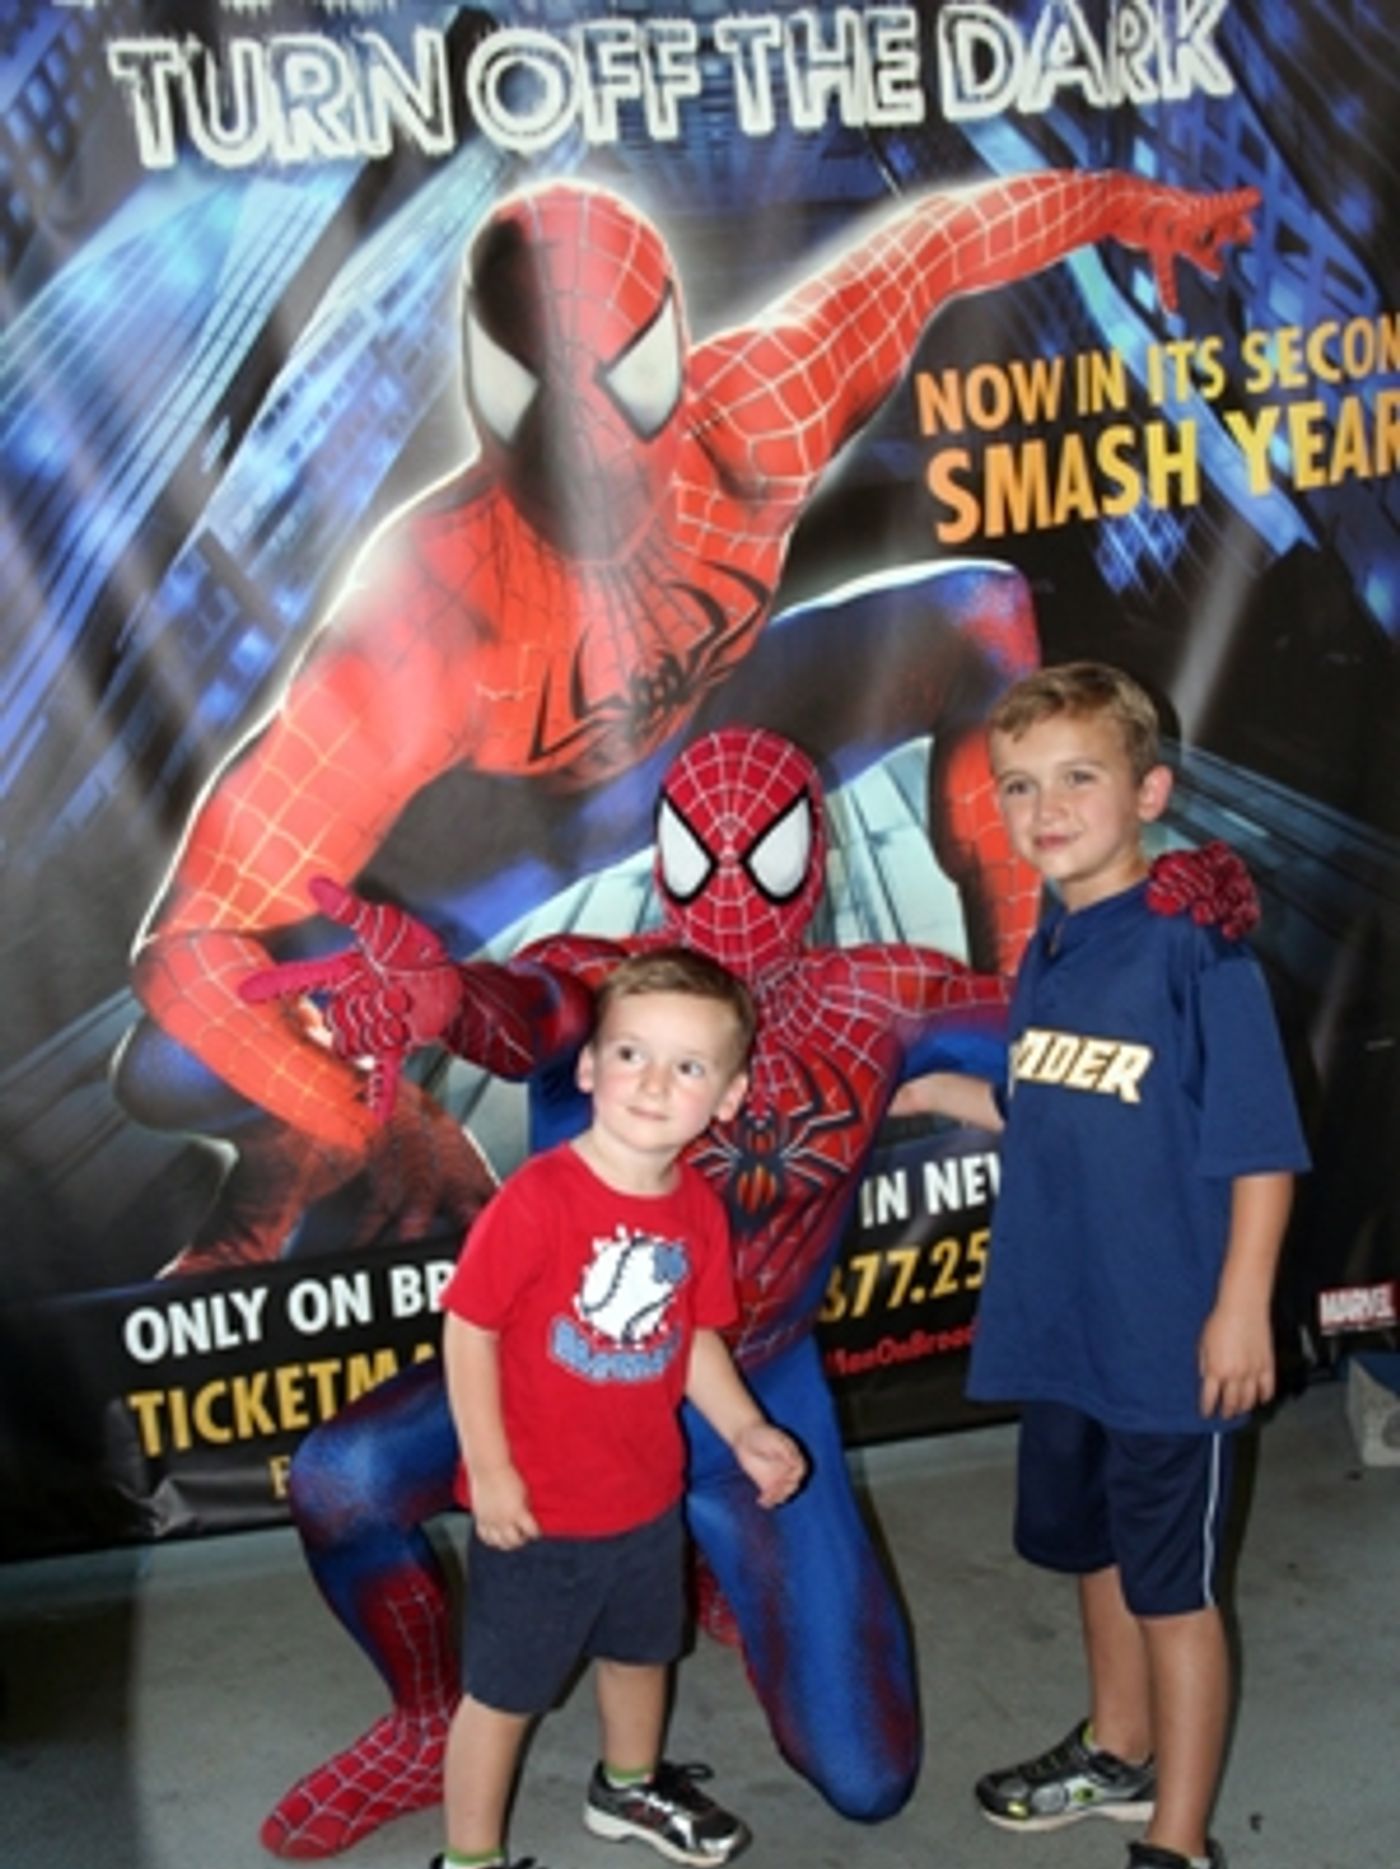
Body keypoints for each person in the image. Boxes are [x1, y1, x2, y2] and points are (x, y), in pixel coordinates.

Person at [114, 169, 1259, 1272]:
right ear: (487, 391)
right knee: (173, 1063)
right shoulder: (425, 614)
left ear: (666, 352)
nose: (589, 444)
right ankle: (300, 1154)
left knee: (978, 612)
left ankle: (1035, 1017)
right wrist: (376, 1118)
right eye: (544, 396)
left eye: (618, 387)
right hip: (503, 844)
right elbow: (192, 948)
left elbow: (941, 245)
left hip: (716, 741)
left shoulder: (761, 411)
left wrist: (1131, 206)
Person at [247, 725, 1251, 1860]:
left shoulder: (878, 998)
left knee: (866, 1778)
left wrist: (1158, 922)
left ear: (812, 861)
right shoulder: (613, 984)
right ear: (662, 853)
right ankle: (428, 1717)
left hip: (750, 1390)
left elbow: (1073, 1047)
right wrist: (441, 1002)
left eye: (761, 856)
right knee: (342, 1479)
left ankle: (702, 1555)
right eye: (700, 851)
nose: (729, 890)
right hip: (569, 1379)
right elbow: (529, 1009)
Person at [896, 662, 1308, 1869]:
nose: (1045, 807)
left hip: (1167, 1340)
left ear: (1150, 792)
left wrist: (1238, 1306)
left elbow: (1258, 1149)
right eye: (1018, 786)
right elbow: (1051, 1098)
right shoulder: (1052, 945)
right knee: (1091, 1551)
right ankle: (1117, 1750)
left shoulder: (1196, 951)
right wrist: (927, 1094)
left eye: (1077, 777)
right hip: (1060, 1324)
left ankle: (1178, 1859)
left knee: (1172, 1592)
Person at [422, 947, 806, 1869]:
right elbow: (468, 1331)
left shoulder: (695, 1209)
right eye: (631, 1054)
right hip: (537, 1512)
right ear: (588, 1067)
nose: (652, 1082)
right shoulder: (540, 1199)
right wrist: (490, 1469)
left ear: (728, 1098)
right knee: (502, 1695)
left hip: (643, 1497)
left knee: (644, 1652)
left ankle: (628, 1785)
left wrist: (745, 1430)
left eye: (688, 1067)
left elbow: (691, 1338)